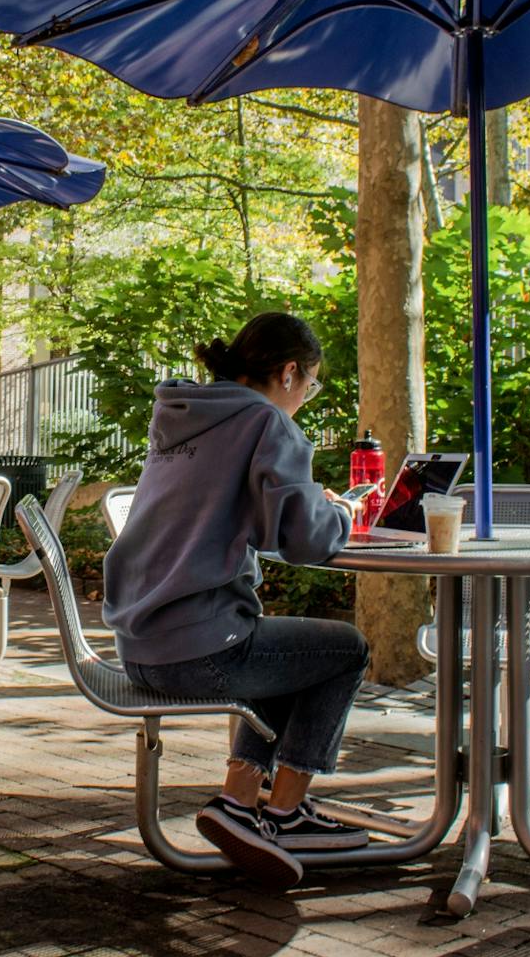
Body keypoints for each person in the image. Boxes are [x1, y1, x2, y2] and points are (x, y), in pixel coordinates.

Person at [104, 311, 369, 891]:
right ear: (290, 373)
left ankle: (240, 803)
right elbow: (305, 543)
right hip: (198, 650)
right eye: (312, 385)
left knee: (281, 648)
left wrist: (306, 504)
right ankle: (285, 812)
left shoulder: (182, 418)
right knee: (344, 650)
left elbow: (248, 518)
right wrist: (342, 512)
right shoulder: (266, 423)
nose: (307, 397)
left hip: (140, 645)